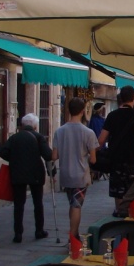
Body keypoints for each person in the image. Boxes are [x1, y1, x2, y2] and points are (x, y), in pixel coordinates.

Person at [0, 113, 53, 243]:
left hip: (18, 172)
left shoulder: (15, 137)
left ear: (23, 125)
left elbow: (2, 151)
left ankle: (18, 233)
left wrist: (13, 159)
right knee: (37, 203)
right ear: (34, 125)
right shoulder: (39, 137)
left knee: (18, 204)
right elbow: (48, 155)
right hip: (35, 174)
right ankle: (39, 230)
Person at [52, 97, 100, 240]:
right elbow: (93, 159)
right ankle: (73, 236)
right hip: (80, 175)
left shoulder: (59, 131)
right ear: (82, 111)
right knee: (77, 205)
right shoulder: (88, 132)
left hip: (66, 174)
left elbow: (54, 155)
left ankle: (74, 232)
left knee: (72, 204)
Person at [99, 85, 134, 217]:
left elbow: (101, 140)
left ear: (121, 98)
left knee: (119, 195)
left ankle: (121, 222)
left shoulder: (112, 116)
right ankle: (132, 222)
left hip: (116, 163)